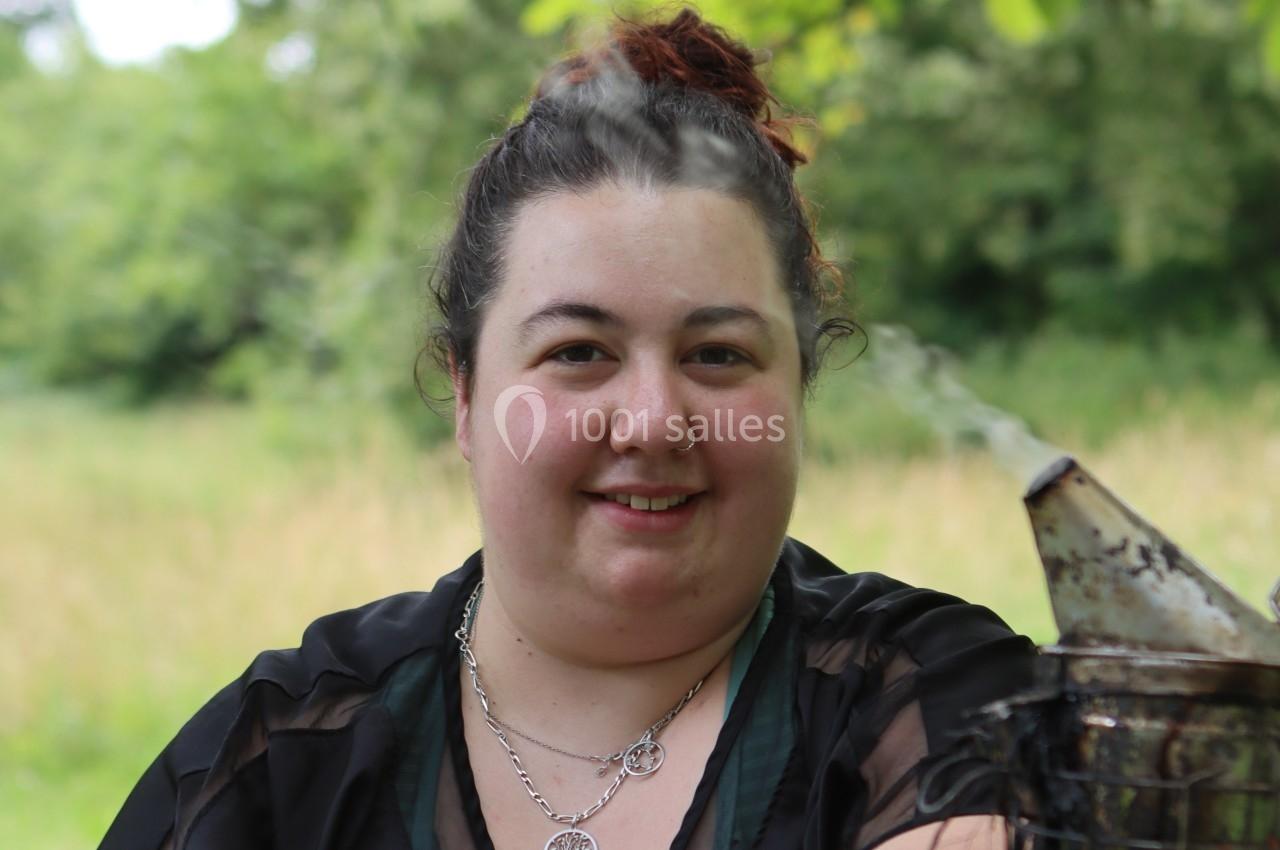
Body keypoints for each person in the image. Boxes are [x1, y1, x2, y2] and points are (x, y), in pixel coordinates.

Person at [100, 9, 1035, 850]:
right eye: (579, 351)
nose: (653, 421)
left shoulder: (935, 704)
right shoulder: (282, 755)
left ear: (799, 389)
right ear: (465, 396)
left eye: (716, 355)